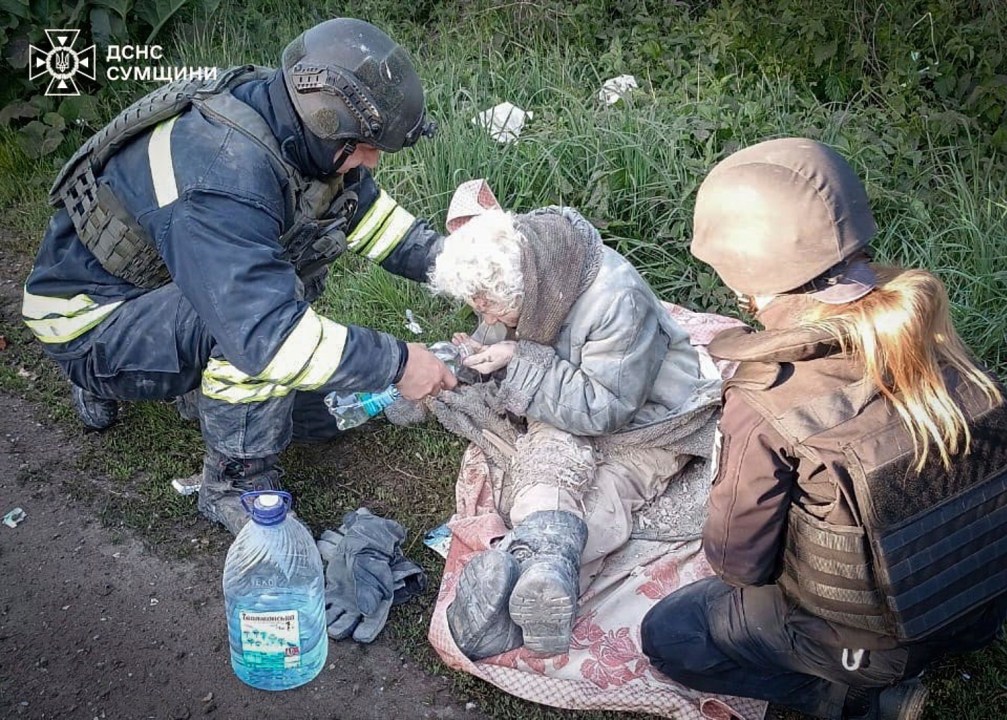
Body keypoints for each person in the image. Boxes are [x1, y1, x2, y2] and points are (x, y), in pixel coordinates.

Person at [21, 18, 457, 535]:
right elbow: (266, 335)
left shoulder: (286, 119)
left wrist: (461, 267)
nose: (373, 161)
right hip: (85, 317)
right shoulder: (223, 173)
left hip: (157, 283)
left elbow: (366, 215)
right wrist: (399, 363)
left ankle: (194, 386)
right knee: (259, 332)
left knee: (307, 403)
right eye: (365, 146)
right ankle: (234, 481)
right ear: (324, 120)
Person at [640, 138, 1007, 720]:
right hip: (978, 605)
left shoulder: (767, 398)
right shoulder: (929, 331)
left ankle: (850, 700)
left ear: (739, 274)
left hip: (877, 646)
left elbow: (738, 564)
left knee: (671, 633)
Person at [416, 205, 722, 660]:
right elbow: (508, 330)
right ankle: (541, 579)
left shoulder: (616, 299)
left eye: (487, 304)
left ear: (525, 291)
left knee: (612, 489)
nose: (483, 314)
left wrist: (518, 360)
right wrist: (474, 355)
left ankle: (514, 588)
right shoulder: (526, 275)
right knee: (547, 461)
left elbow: (605, 408)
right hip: (563, 402)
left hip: (648, 421)